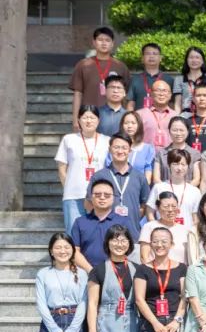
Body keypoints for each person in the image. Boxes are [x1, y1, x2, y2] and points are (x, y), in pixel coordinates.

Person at [56, 104, 109, 233]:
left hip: (99, 196)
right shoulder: (69, 139)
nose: (88, 121)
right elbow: (62, 168)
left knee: (97, 233)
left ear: (98, 120)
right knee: (73, 234)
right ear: (79, 120)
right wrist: (68, 187)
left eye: (92, 118)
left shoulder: (107, 141)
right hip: (73, 195)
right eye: (85, 117)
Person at [89, 133, 151, 240]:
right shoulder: (99, 176)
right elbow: (89, 203)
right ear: (110, 149)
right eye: (116, 147)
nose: (120, 151)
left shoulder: (139, 177)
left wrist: (133, 217)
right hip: (104, 235)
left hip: (132, 235)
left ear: (130, 150)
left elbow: (144, 205)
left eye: (124, 148)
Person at [68, 26, 130, 129]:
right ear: (94, 42)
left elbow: (126, 95)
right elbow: (78, 94)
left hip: (115, 117)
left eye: (107, 40)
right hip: (88, 116)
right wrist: (75, 119)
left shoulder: (120, 66)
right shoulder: (83, 65)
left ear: (112, 43)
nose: (104, 43)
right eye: (100, 40)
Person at [70, 179, 136, 273]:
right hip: (86, 272)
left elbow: (130, 249)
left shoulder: (124, 221)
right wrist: (91, 271)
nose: (102, 197)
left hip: (116, 273)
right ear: (91, 197)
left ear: (113, 198)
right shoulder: (80, 222)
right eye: (97, 195)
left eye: (107, 195)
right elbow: (74, 250)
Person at [138, 191, 190, 264]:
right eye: (166, 206)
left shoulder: (185, 230)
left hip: (180, 270)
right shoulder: (149, 227)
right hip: (155, 270)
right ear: (157, 208)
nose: (170, 210)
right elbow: (144, 257)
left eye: (174, 206)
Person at [152, 117, 204, 188]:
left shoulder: (195, 154)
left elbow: (196, 179)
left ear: (187, 131)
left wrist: (183, 191)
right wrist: (168, 191)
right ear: (169, 131)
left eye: (181, 130)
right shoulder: (161, 153)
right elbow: (156, 179)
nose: (178, 133)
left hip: (187, 192)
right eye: (175, 130)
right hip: (165, 192)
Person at [126, 42, 171, 112]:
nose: (151, 56)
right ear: (142, 58)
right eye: (148, 54)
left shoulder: (169, 80)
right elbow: (131, 104)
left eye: (155, 54)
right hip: (139, 117)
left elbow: (172, 103)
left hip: (162, 117)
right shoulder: (135, 79)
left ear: (160, 58)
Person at [136, 79, 178, 150]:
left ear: (170, 95)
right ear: (151, 94)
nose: (161, 94)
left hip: (170, 155)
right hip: (146, 155)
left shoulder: (176, 116)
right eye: (158, 90)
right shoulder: (139, 115)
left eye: (165, 91)